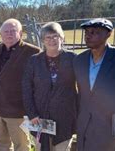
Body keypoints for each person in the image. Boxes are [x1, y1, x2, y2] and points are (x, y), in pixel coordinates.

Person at [74, 18, 115, 151]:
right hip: (84, 123)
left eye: (95, 32)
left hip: (111, 125)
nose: (88, 35)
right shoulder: (79, 60)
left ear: (108, 34)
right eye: (87, 32)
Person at [0, 18, 41, 151]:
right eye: (6, 31)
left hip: (18, 111)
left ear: (20, 33)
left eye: (13, 31)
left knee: (21, 145)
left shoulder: (33, 52)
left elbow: (39, 82)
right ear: (1, 34)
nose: (9, 34)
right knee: (1, 144)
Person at [22, 22, 77, 151]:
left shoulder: (73, 59)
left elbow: (83, 86)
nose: (52, 40)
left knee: (62, 148)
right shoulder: (34, 61)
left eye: (55, 36)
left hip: (65, 115)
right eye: (48, 37)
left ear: (61, 38)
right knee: (42, 147)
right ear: (43, 40)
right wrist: (32, 113)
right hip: (39, 116)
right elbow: (26, 88)